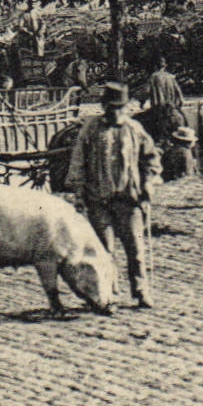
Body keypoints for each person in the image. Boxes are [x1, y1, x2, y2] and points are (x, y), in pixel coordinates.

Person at [66, 82, 161, 309]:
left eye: (119, 107)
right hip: (99, 200)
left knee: (135, 249)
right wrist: (78, 193)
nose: (115, 112)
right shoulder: (91, 129)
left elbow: (151, 159)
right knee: (105, 251)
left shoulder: (134, 129)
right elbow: (78, 162)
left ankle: (141, 291)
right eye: (111, 107)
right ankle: (111, 294)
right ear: (104, 106)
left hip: (129, 200)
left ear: (126, 107)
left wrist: (148, 184)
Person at [141, 57, 186, 143]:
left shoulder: (153, 77)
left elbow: (146, 91)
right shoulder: (171, 77)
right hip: (171, 107)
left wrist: (142, 102)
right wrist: (180, 102)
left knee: (156, 129)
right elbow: (178, 91)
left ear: (155, 66)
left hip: (159, 108)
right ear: (164, 66)